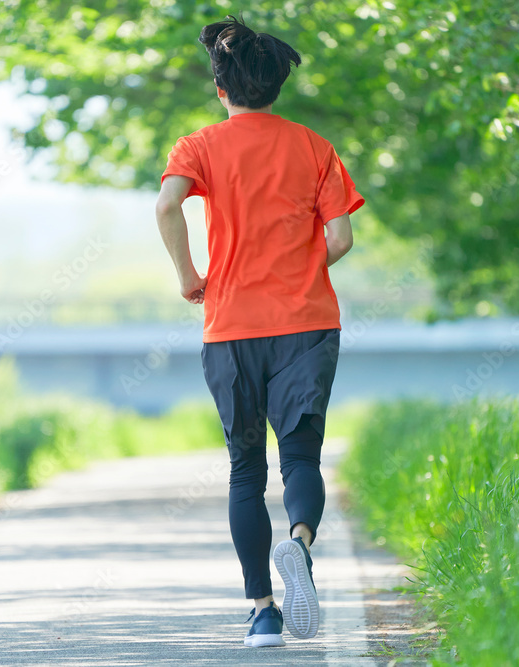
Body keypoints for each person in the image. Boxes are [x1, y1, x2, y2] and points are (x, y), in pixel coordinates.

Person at [154, 14, 365, 648]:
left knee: (246, 469)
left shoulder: (197, 147)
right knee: (300, 457)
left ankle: (263, 614)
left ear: (222, 90)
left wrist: (191, 275)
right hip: (306, 327)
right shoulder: (314, 147)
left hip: (232, 329)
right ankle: (298, 543)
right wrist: (302, 266)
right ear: (276, 87)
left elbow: (167, 205)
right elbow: (342, 237)